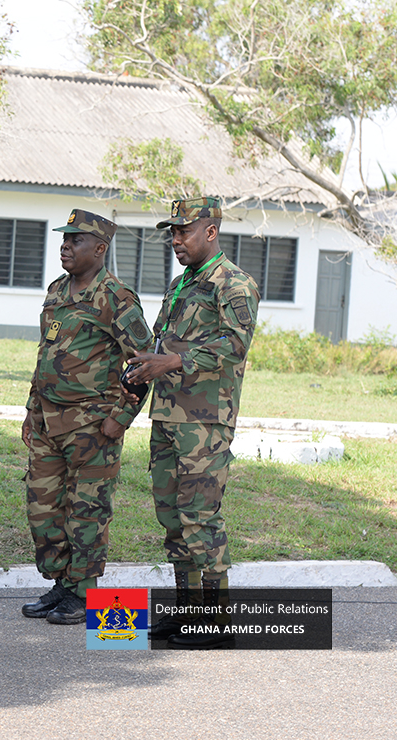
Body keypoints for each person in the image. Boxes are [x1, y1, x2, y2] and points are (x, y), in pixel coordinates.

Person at [123, 196, 259, 649]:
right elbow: (165, 342)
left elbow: (232, 345)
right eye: (172, 232)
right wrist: (148, 363)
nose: (176, 239)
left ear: (211, 232)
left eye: (184, 231)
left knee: (201, 519)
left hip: (204, 422)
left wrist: (173, 361)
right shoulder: (183, 283)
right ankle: (187, 612)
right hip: (167, 416)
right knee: (172, 518)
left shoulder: (234, 284)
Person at [19, 209, 153, 625]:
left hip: (92, 427)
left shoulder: (116, 298)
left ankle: (85, 593)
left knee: (87, 513)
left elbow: (143, 362)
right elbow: (46, 355)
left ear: (100, 248)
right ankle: (62, 584)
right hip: (46, 424)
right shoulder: (57, 290)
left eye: (75, 240)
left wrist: (122, 417)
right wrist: (29, 410)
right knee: (44, 511)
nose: (65, 246)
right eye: (64, 239)